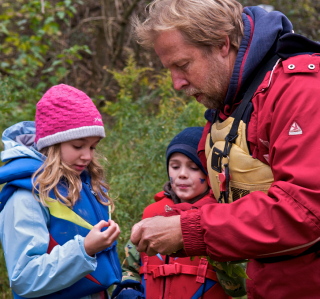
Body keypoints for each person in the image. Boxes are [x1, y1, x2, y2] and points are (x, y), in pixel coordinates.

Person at [129, 0, 320, 298]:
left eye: (182, 65)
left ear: (222, 44)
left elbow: (306, 211)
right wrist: (174, 219)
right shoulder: (234, 105)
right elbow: (241, 202)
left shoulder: (302, 90)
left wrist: (188, 229)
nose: (176, 83)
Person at [0, 84, 122, 298]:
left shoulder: (82, 182)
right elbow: (24, 277)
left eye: (92, 147)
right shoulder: (25, 196)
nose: (88, 156)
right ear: (52, 144)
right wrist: (84, 249)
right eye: (78, 146)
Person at [113, 127, 233, 299]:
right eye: (175, 166)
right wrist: (128, 288)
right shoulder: (152, 215)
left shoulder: (220, 216)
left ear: (210, 171)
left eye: (193, 167)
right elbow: (130, 265)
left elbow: (239, 287)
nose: (182, 174)